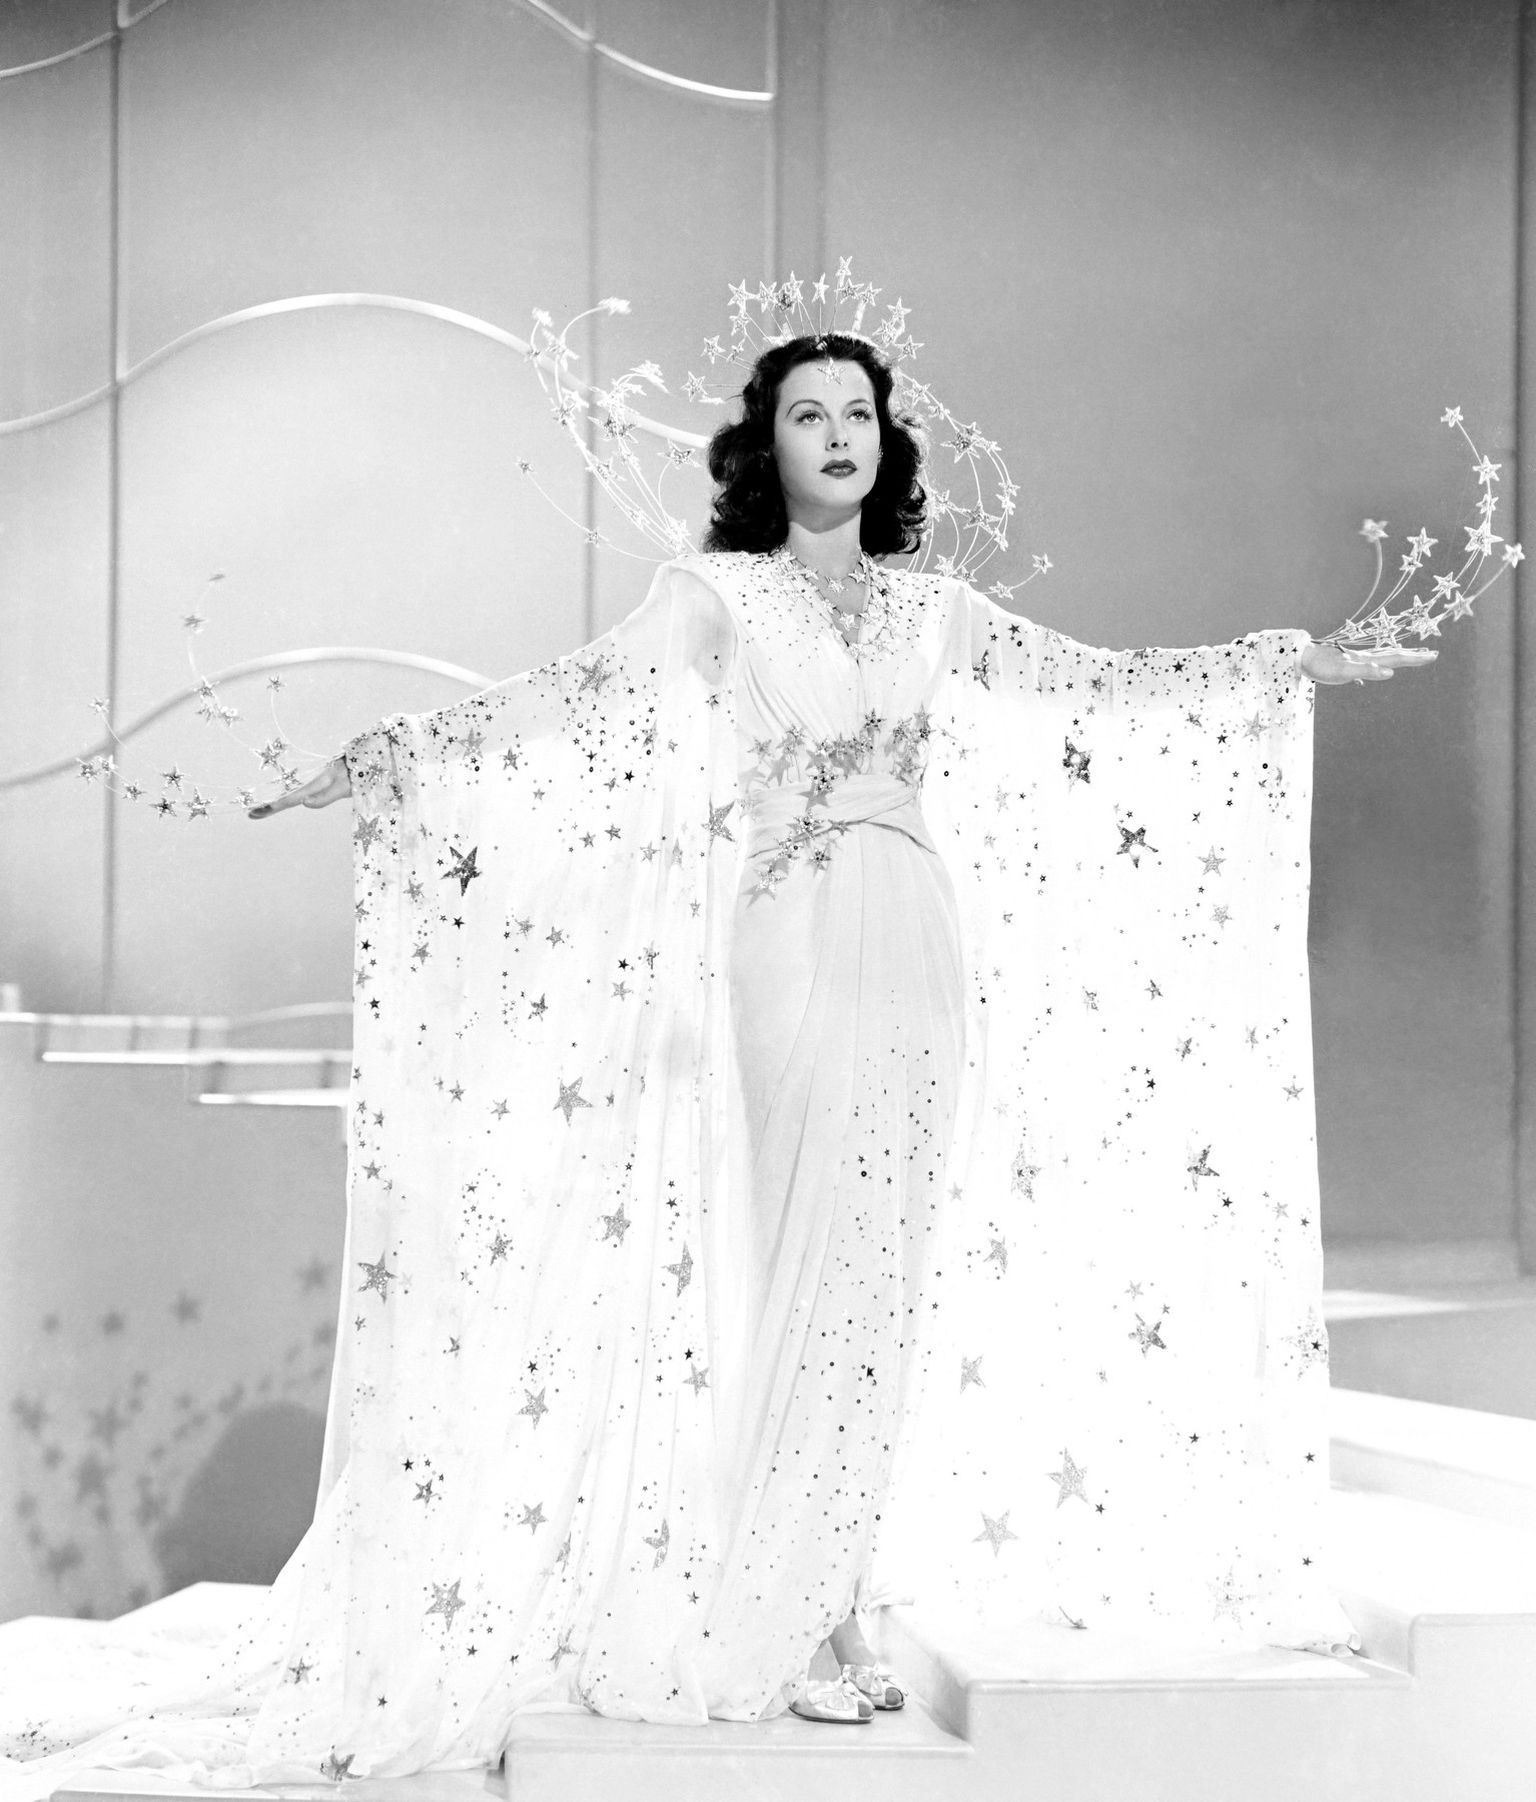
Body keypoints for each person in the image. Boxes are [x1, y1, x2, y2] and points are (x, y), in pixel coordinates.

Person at [0, 328, 1432, 1792]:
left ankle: (839, 1589)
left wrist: (1278, 665)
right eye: (809, 412)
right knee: (800, 1260)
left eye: (859, 412)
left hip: (917, 937)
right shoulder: (716, 596)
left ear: (887, 441)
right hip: (792, 936)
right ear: (768, 443)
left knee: (883, 1275)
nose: (839, 433)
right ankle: (786, 1606)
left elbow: (1099, 685)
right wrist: (404, 755)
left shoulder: (935, 607)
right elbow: (580, 699)